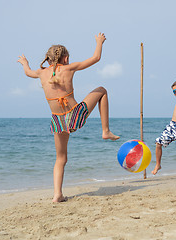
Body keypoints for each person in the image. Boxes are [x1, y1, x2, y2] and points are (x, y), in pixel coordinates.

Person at [17, 33, 119, 202]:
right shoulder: (69, 68)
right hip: (75, 115)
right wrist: (99, 42)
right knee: (102, 90)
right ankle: (105, 130)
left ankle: (57, 194)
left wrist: (24, 63)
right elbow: (96, 58)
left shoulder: (41, 73)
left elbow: (28, 73)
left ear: (48, 60)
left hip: (58, 121)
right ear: (65, 58)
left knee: (61, 158)